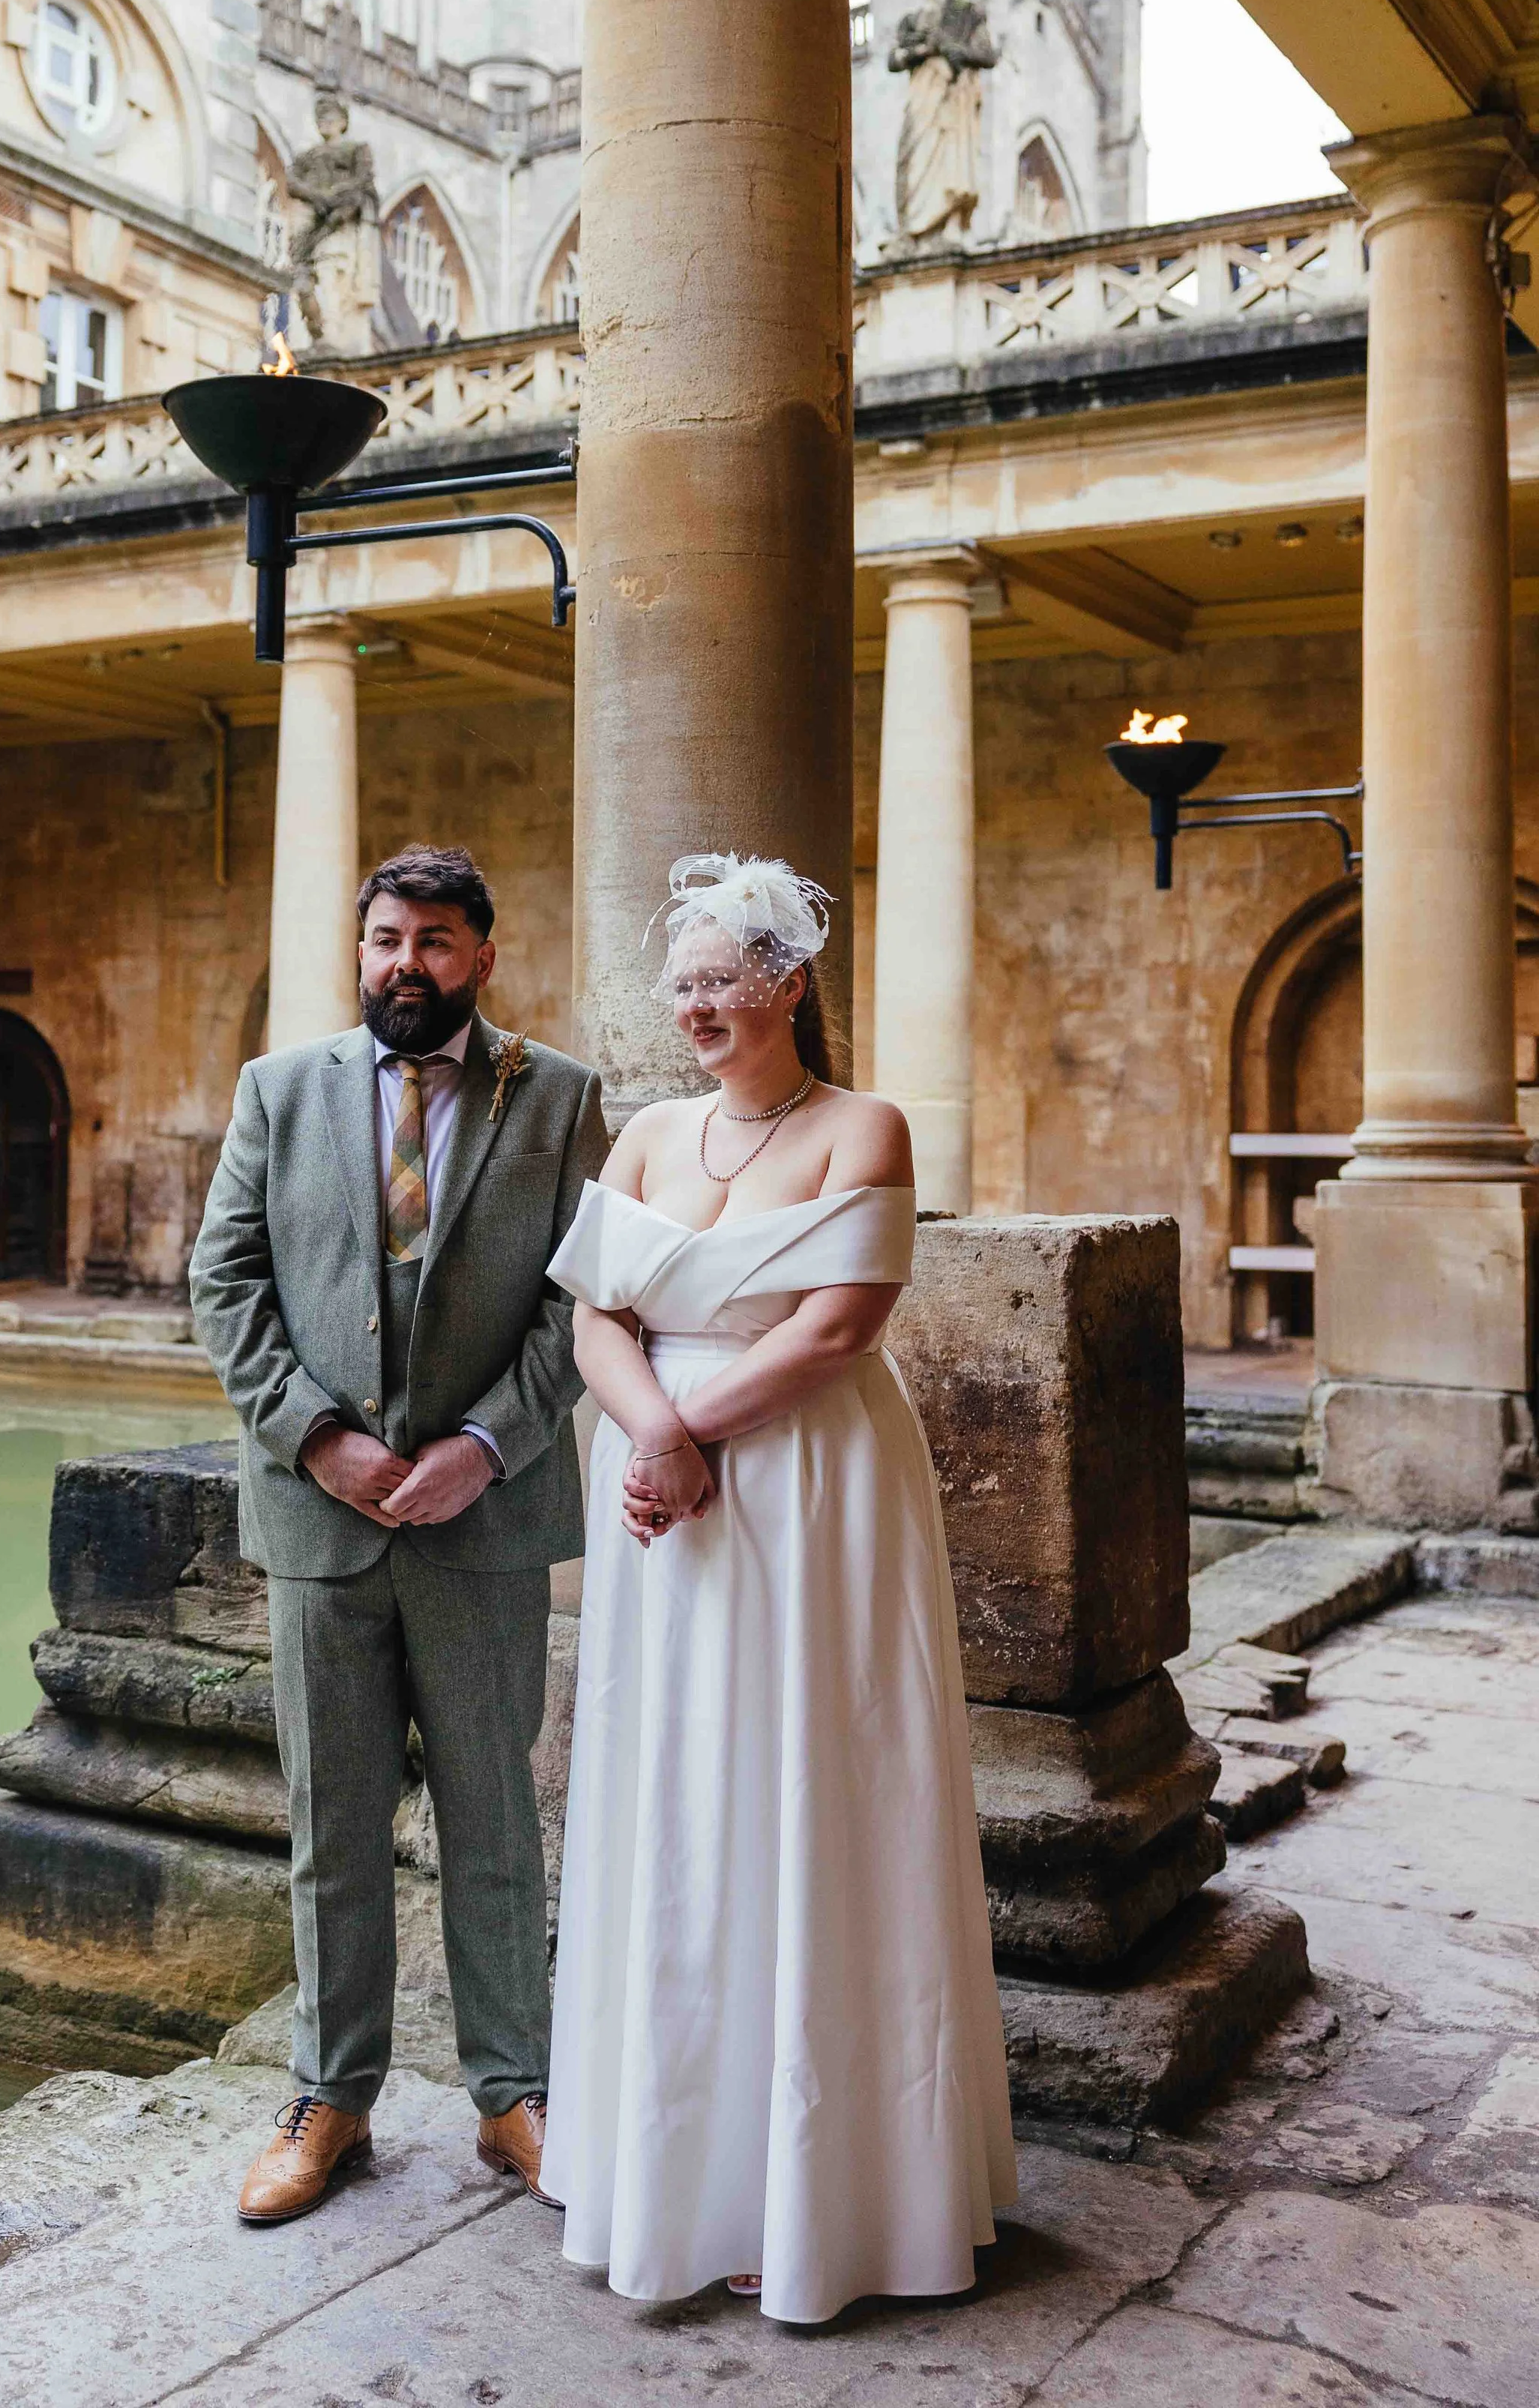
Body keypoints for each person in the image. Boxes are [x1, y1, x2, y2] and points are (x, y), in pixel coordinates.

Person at [540, 853, 1016, 2322]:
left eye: (719, 982)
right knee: (674, 1790)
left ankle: (825, 2190)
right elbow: (591, 1323)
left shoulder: (862, 1127)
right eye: (677, 984)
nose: (692, 1007)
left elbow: (834, 1328)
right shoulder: (642, 1137)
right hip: (660, 1483)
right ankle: (662, 2161)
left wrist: (695, 1429)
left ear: (787, 986)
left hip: (809, 1483)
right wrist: (653, 1432)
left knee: (811, 1781)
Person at [191, 843, 609, 2226]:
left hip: (482, 1521)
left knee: (496, 1816)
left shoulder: (557, 1097)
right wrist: (322, 1434)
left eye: (434, 943)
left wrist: (483, 1445)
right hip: (322, 1517)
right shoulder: (278, 1090)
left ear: (483, 956)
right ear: (356, 949)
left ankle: (515, 2094)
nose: (405, 967)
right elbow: (226, 1278)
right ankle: (332, 2097)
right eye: (384, 940)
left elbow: (580, 1305)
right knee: (332, 1821)